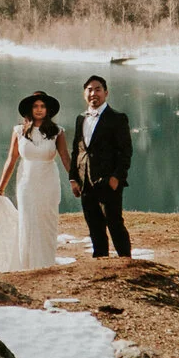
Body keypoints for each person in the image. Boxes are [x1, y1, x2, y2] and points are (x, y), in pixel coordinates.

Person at [0, 91, 65, 275]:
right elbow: (11, 159)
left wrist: (75, 180)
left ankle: (46, 263)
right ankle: (27, 264)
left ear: (48, 110)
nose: (39, 110)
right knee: (28, 220)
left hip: (48, 181)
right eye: (35, 106)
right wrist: (0, 187)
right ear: (30, 109)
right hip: (27, 181)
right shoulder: (19, 131)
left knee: (47, 221)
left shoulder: (57, 132)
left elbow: (66, 158)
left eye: (43, 106)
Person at [65, 74, 133, 258]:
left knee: (114, 223)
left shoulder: (117, 118)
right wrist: (73, 178)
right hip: (85, 182)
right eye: (89, 90)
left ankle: (126, 262)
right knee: (94, 226)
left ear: (106, 93)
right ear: (84, 93)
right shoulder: (80, 118)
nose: (93, 93)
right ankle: (101, 263)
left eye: (98, 89)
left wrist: (116, 178)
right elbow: (76, 150)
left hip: (108, 181)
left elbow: (125, 152)